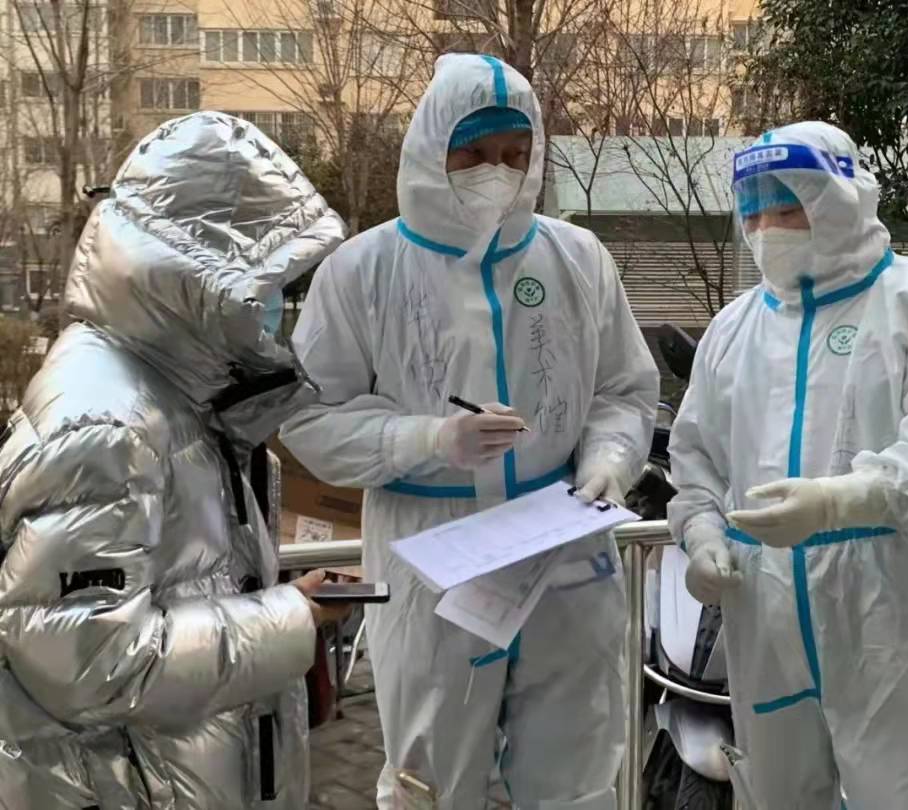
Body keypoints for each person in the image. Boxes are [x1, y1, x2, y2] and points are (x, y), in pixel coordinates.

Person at [280, 53, 659, 809]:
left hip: (560, 542)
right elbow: (310, 418)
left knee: (576, 769)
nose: (498, 172)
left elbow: (622, 388)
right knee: (431, 777)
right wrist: (428, 440)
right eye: (475, 153)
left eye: (516, 155)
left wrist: (610, 460)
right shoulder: (362, 271)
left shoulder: (577, 258)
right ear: (432, 148)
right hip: (433, 551)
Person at [0, 112, 350, 810]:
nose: (274, 305)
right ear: (197, 276)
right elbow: (93, 661)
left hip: (179, 772)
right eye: (266, 280)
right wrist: (293, 618)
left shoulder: (173, 391)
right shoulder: (105, 419)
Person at [669, 121, 908, 809]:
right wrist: (700, 533)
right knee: (780, 791)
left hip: (894, 602)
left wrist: (843, 500)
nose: (767, 228)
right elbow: (696, 453)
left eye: (786, 207)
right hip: (763, 611)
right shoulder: (734, 329)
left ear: (838, 198)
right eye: (754, 211)